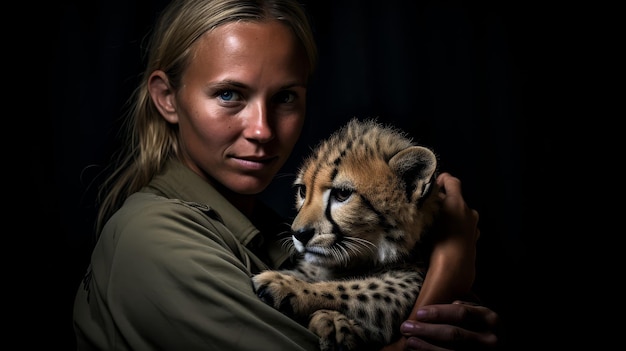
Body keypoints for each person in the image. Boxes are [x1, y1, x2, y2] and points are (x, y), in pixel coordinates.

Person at [72, 0, 500, 350]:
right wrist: (448, 268)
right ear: (167, 98)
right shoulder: (154, 240)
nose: (262, 130)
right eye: (229, 94)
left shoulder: (262, 228)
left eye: (285, 98)